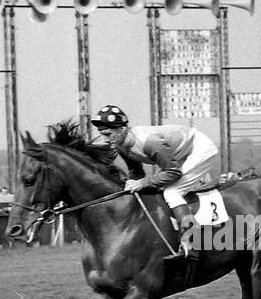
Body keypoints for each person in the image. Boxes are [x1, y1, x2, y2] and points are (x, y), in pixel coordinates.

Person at [89, 104, 220, 257]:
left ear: (122, 129)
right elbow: (136, 174)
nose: (104, 139)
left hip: (200, 148)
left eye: (108, 133)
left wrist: (143, 184)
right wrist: (130, 185)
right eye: (101, 134)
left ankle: (191, 242)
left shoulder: (149, 142)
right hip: (179, 154)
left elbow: (173, 172)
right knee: (156, 188)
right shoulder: (121, 145)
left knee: (172, 192)